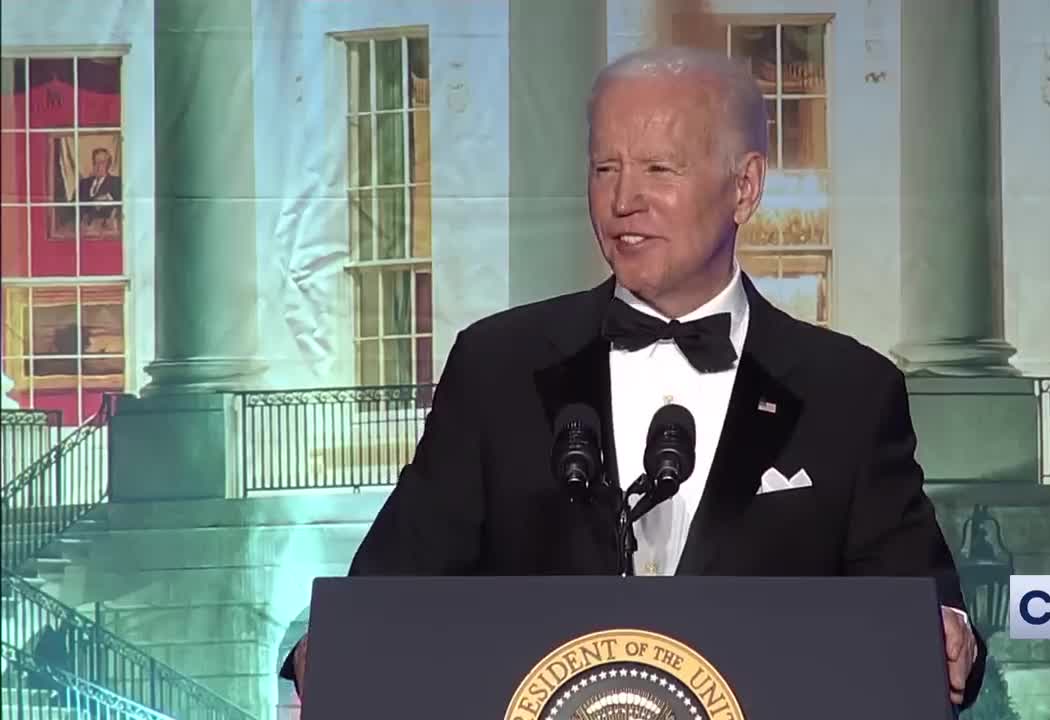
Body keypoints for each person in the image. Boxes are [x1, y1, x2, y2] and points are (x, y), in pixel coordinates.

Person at [281, 45, 986, 709]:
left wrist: (948, 635)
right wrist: (336, 650)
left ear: (744, 187)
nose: (623, 201)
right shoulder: (498, 368)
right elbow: (393, 585)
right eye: (604, 168)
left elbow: (917, 604)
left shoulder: (849, 392)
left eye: (659, 170)